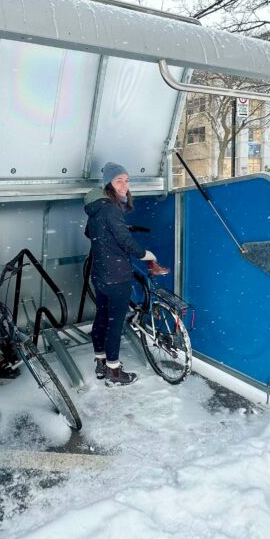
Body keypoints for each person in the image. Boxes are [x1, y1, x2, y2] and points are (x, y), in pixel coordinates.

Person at [84, 162, 161, 387]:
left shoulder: (97, 207)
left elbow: (89, 232)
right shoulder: (111, 208)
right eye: (119, 180)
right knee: (115, 323)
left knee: (102, 317)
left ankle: (100, 362)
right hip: (117, 275)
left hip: (100, 273)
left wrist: (108, 235)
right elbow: (125, 241)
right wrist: (146, 254)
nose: (125, 185)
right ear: (108, 183)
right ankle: (114, 371)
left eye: (127, 180)